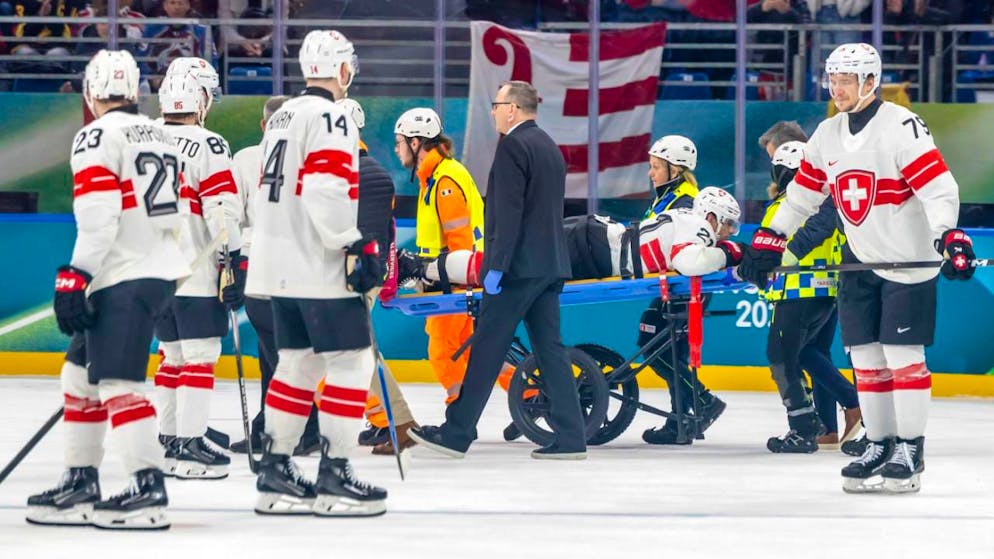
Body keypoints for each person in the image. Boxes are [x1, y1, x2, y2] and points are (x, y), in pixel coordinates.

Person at [739, 43, 972, 493]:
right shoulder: (827, 134)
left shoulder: (901, 127)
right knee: (865, 357)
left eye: (846, 80)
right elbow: (804, 196)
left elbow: (939, 187)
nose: (837, 88)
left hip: (907, 261)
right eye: (833, 79)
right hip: (859, 259)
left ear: (870, 81)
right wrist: (772, 239)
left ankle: (910, 448)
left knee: (903, 357)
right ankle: (880, 444)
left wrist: (948, 234)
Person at [26, 49, 189, 529]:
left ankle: (147, 488)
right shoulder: (161, 134)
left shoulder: (95, 134)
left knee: (119, 383)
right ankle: (82, 479)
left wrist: (75, 274)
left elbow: (99, 218)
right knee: (79, 377)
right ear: (137, 90)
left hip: (122, 272)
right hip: (155, 271)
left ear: (90, 92)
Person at [246, 29, 388, 516]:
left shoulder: (283, 113)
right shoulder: (334, 115)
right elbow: (325, 190)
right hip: (316, 264)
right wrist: (354, 243)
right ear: (343, 69)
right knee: (352, 363)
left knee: (297, 364)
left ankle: (276, 470)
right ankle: (335, 475)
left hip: (274, 263)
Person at [408, 80, 586, 460]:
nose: (492, 111)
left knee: (487, 347)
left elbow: (506, 217)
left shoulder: (514, 147)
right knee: (550, 349)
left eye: (496, 104)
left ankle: (457, 432)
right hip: (549, 266)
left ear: (513, 109)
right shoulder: (548, 147)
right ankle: (572, 436)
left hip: (516, 270)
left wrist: (496, 268)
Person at [152, 58, 243, 480]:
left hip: (150, 273)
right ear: (201, 97)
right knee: (201, 357)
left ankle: (168, 437)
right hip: (194, 269)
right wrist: (233, 263)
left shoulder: (142, 137)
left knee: (170, 356)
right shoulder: (209, 144)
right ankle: (190, 443)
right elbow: (221, 210)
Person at [228, 95, 323, 457]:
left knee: (280, 352)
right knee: (280, 350)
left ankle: (300, 426)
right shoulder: (306, 156)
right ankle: (274, 425)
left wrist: (231, 268)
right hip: (295, 262)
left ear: (264, 125)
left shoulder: (246, 158)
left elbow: (232, 218)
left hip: (257, 263)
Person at [759, 122, 863, 451]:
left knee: (792, 354)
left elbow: (779, 247)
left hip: (800, 290)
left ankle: (846, 404)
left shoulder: (795, 208)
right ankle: (828, 428)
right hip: (825, 288)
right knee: (814, 353)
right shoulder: (824, 200)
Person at [334, 98, 421, 457]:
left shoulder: (356, 172)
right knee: (356, 351)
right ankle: (392, 421)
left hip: (351, 275)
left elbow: (361, 233)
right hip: (359, 272)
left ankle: (398, 423)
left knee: (356, 352)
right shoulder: (370, 170)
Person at [638, 135, 727, 446]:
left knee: (653, 345)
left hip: (684, 286)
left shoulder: (687, 201)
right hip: (673, 285)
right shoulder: (668, 197)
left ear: (674, 170)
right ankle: (682, 421)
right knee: (668, 348)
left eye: (655, 167)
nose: (651, 173)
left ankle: (702, 402)